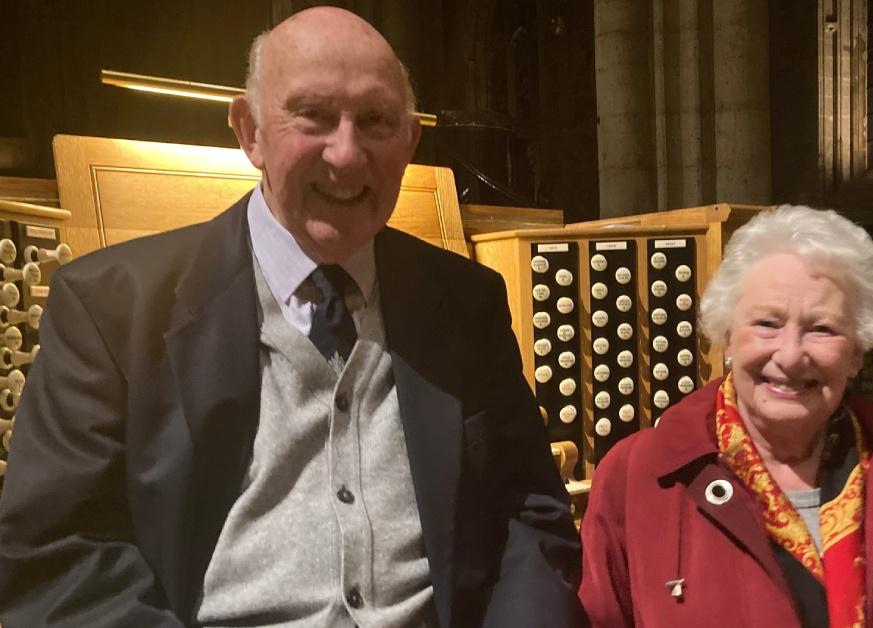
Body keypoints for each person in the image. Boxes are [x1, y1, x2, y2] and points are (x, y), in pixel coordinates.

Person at [0, 7, 581, 627]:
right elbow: (54, 556)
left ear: (410, 143)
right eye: (314, 116)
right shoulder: (108, 306)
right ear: (249, 131)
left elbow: (531, 512)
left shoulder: (468, 300)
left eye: (377, 121)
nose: (347, 153)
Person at [579, 205, 873, 627]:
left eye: (822, 328)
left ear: (857, 351)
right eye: (767, 323)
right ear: (727, 335)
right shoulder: (637, 476)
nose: (791, 355)